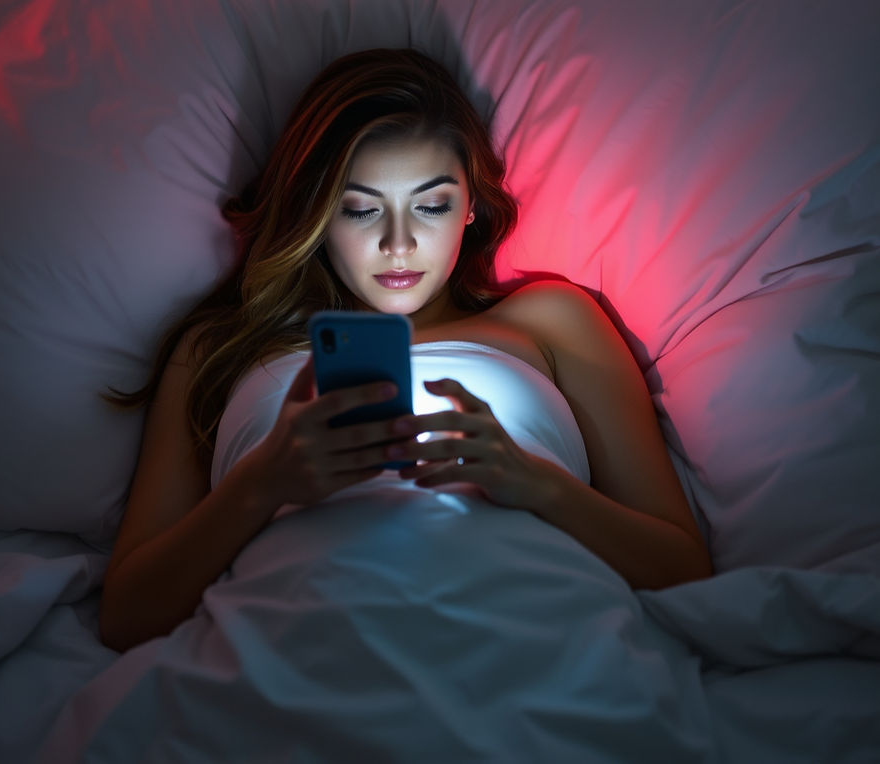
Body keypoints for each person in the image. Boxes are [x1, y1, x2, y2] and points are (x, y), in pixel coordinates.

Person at [100, 48, 712, 652]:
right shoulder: (220, 347)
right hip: (296, 649)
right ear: (317, 213)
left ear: (470, 205)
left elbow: (683, 568)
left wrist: (537, 484)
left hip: (522, 639)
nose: (399, 243)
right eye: (362, 210)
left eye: (431, 205)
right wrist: (260, 484)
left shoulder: (551, 322)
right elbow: (127, 617)